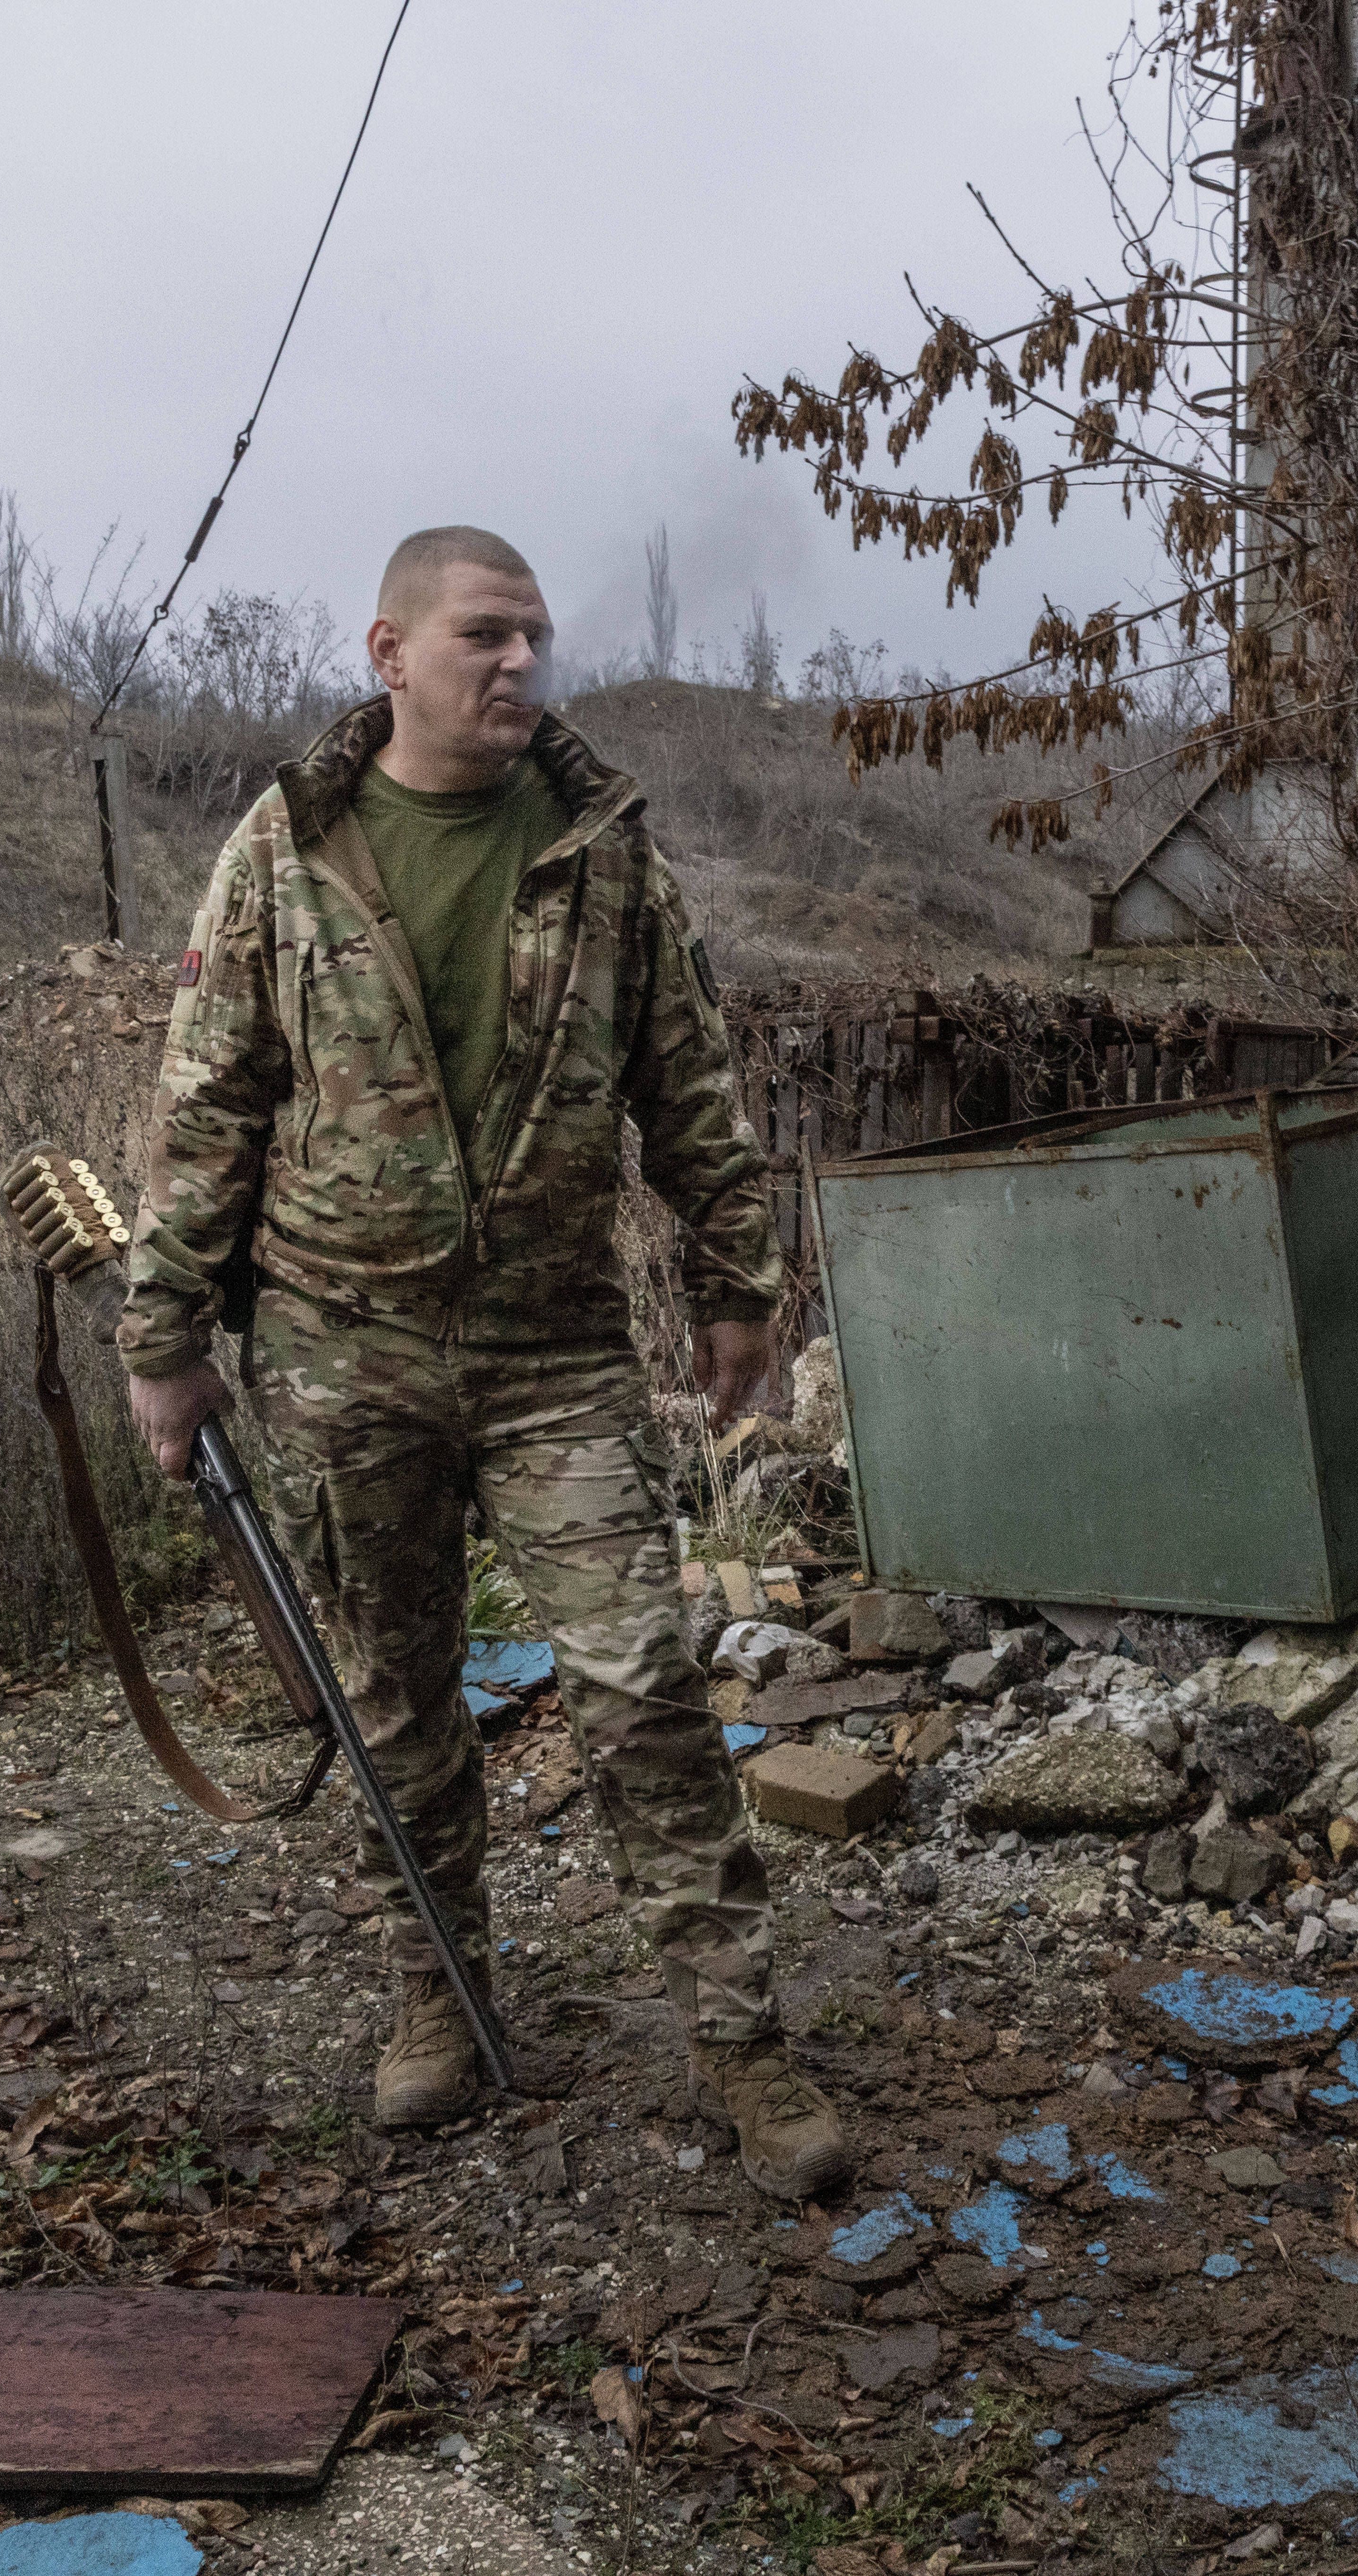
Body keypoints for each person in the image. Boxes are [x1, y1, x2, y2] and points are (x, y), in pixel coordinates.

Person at [115, 525, 848, 2198]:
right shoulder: (285, 852)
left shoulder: (599, 849)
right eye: (482, 638)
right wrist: (168, 1343)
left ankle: (743, 2048)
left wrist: (738, 1280)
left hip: (553, 1354)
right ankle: (434, 2006)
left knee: (642, 1692)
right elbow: (208, 1109)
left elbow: (693, 1079)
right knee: (397, 1706)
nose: (517, 664)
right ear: (389, 651)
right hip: (337, 1352)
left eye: (532, 638)